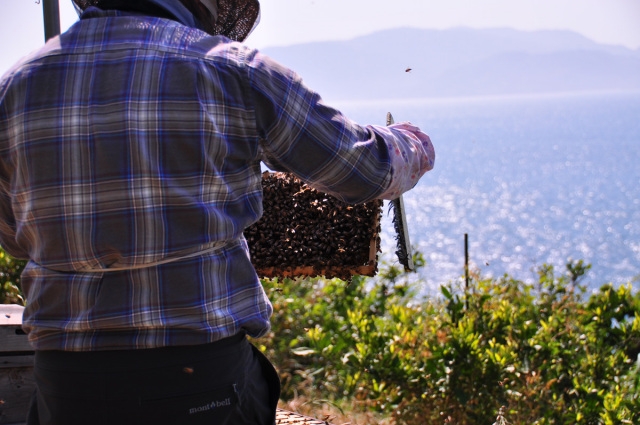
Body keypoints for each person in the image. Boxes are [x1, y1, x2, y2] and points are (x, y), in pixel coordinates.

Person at [0, 0, 435, 424]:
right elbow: (365, 169)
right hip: (196, 379)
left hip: (67, 385)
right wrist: (412, 141)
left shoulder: (16, 85)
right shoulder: (234, 71)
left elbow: (14, 236)